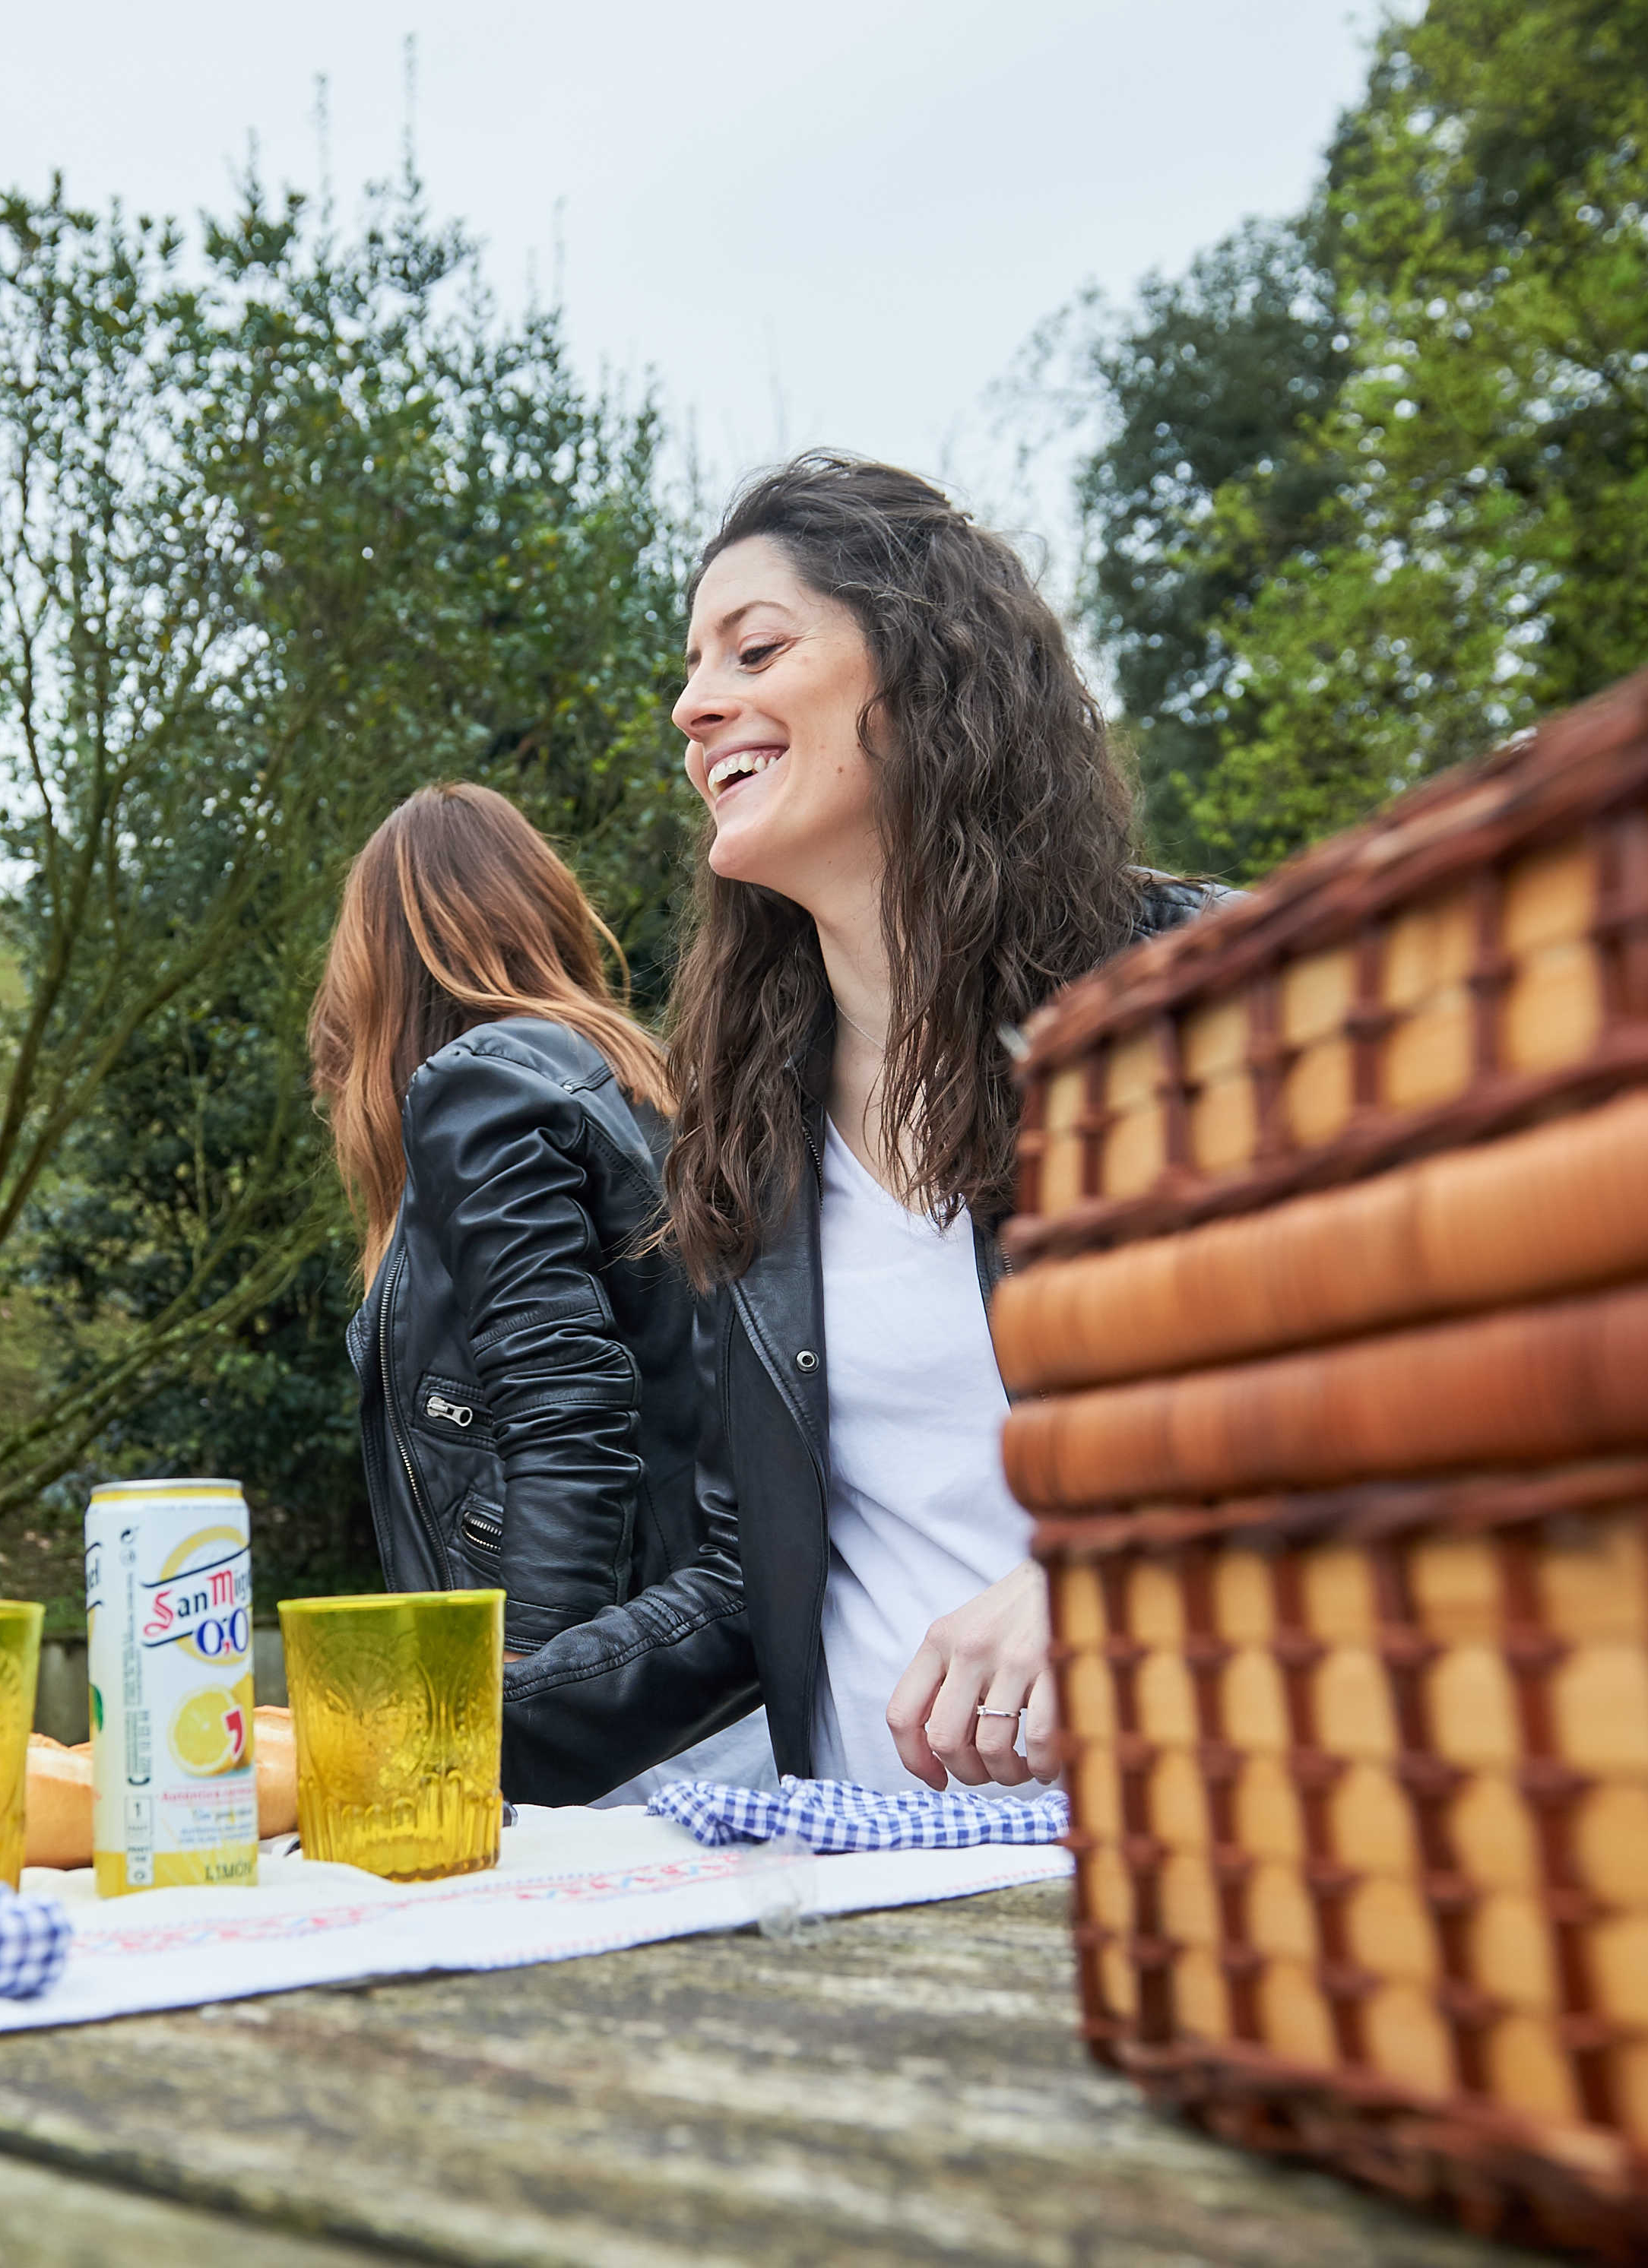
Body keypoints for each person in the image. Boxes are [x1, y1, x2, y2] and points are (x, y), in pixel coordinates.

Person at [503, 456, 1218, 1804]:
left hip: (1182, 1845)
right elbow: (748, 1581)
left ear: (925, 667)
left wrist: (1117, 1569)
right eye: (692, 668)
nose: (691, 706)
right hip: (861, 1885)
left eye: (756, 649)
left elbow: (1400, 1405)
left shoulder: (1197, 996)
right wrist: (434, 1728)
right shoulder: (751, 1118)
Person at [311, 785, 769, 1791]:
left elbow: (565, 1405)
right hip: (697, 1691)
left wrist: (522, 1699)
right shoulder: (644, 1089)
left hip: (608, 1734)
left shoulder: (482, 1086)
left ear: (379, 962)